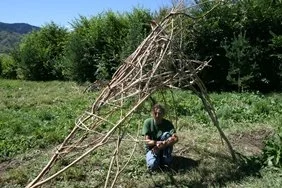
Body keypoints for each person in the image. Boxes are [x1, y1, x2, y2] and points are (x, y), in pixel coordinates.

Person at [142, 104, 178, 171]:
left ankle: (165, 157)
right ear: (152, 113)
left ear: (163, 114)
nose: (157, 115)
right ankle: (156, 158)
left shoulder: (168, 123)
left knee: (167, 135)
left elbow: (176, 138)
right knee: (152, 165)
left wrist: (165, 144)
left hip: (164, 148)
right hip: (152, 149)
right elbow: (147, 141)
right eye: (155, 113)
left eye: (160, 113)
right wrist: (156, 143)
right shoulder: (148, 122)